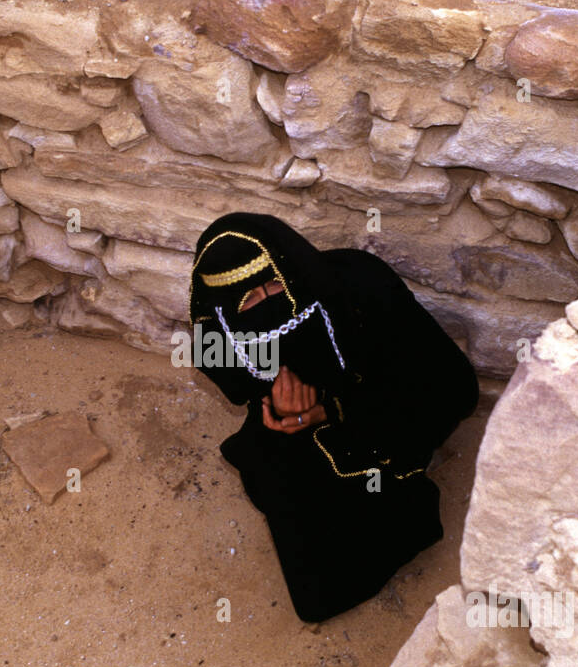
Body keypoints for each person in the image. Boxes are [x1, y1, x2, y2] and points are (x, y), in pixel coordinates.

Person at [189, 211, 479, 623]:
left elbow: (452, 389)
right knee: (272, 468)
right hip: (302, 422)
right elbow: (250, 389)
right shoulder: (224, 334)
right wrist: (278, 412)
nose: (268, 304)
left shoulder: (362, 288)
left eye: (273, 284)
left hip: (388, 411)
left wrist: (328, 411)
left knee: (369, 490)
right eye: (246, 301)